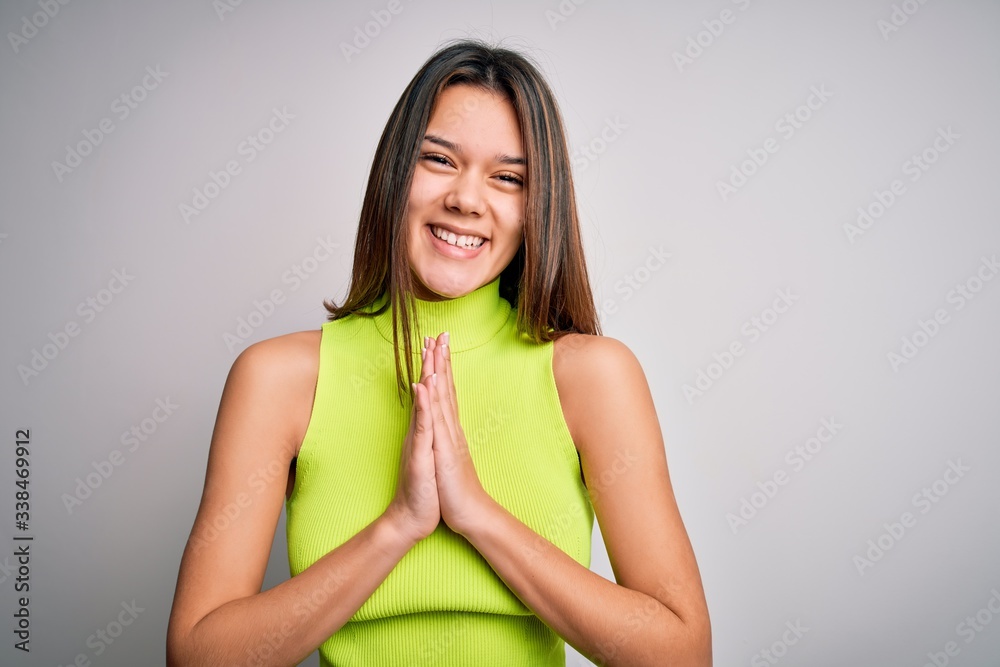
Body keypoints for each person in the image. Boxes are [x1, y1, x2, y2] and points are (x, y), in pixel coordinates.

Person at [166, 38, 711, 666]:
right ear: (395, 173)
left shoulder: (592, 377)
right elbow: (197, 657)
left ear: (538, 207)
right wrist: (398, 526)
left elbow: (682, 655)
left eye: (508, 177)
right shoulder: (280, 379)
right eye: (439, 160)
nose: (467, 199)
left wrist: (478, 514)